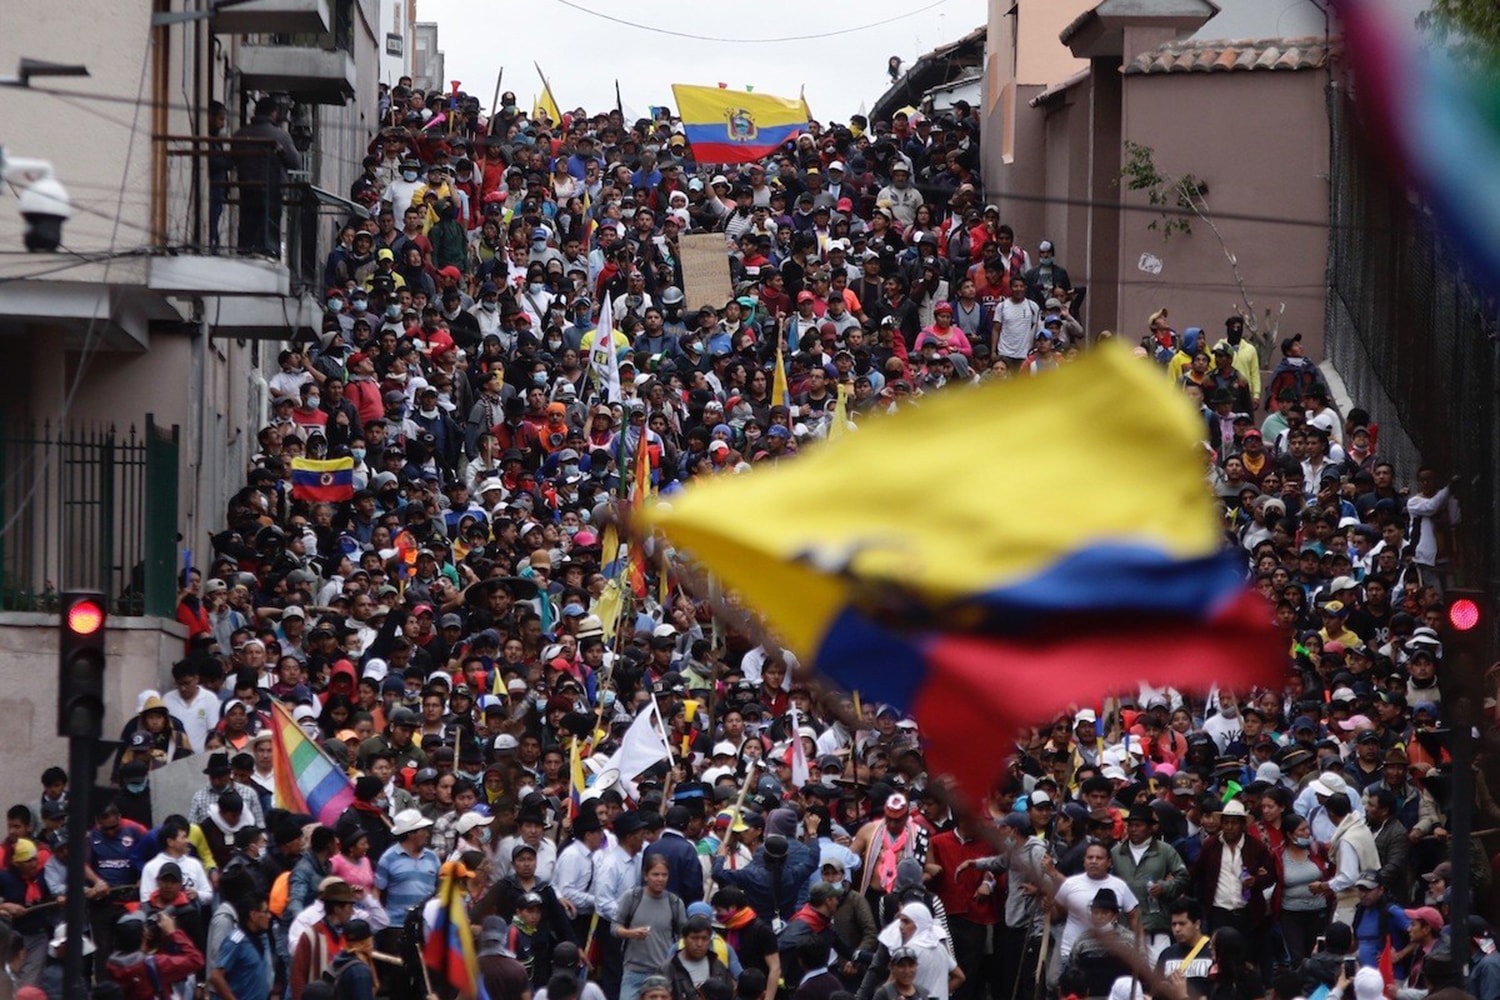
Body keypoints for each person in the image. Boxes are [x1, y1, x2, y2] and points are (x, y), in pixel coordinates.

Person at [233, 96, 303, 255]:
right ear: (273, 113)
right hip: (272, 189)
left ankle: (243, 251)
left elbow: (234, 159)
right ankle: (267, 252)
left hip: (246, 188)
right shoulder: (280, 135)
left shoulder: (240, 133)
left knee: (247, 224)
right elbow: (295, 162)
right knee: (268, 228)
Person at [613, 854, 687, 1000]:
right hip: (634, 970)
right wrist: (630, 933)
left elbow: (684, 937)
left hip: (663, 972)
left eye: (664, 875)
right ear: (645, 876)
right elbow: (614, 927)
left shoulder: (675, 903)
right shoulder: (632, 897)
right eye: (655, 874)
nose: (660, 879)